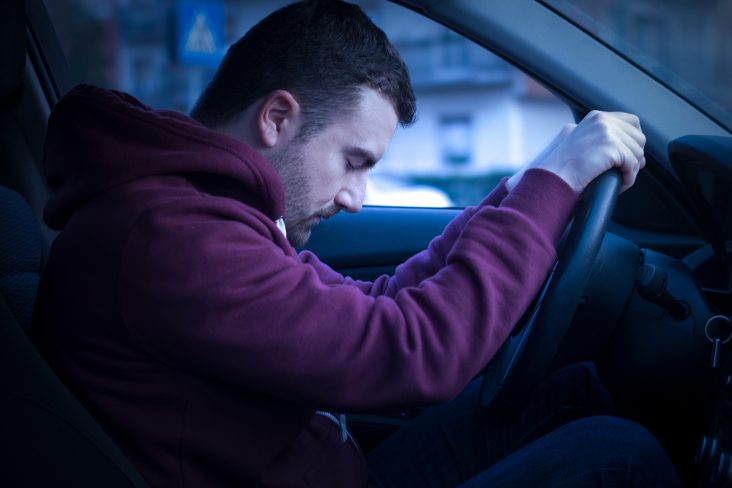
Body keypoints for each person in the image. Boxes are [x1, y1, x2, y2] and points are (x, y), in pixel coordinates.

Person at [32, 0, 681, 487]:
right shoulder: (170, 237)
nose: (356, 197)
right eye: (353, 160)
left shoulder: (204, 212)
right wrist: (552, 185)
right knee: (621, 456)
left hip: (336, 469)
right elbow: (413, 350)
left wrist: (518, 194)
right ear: (278, 118)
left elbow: (375, 304)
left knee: (575, 391)